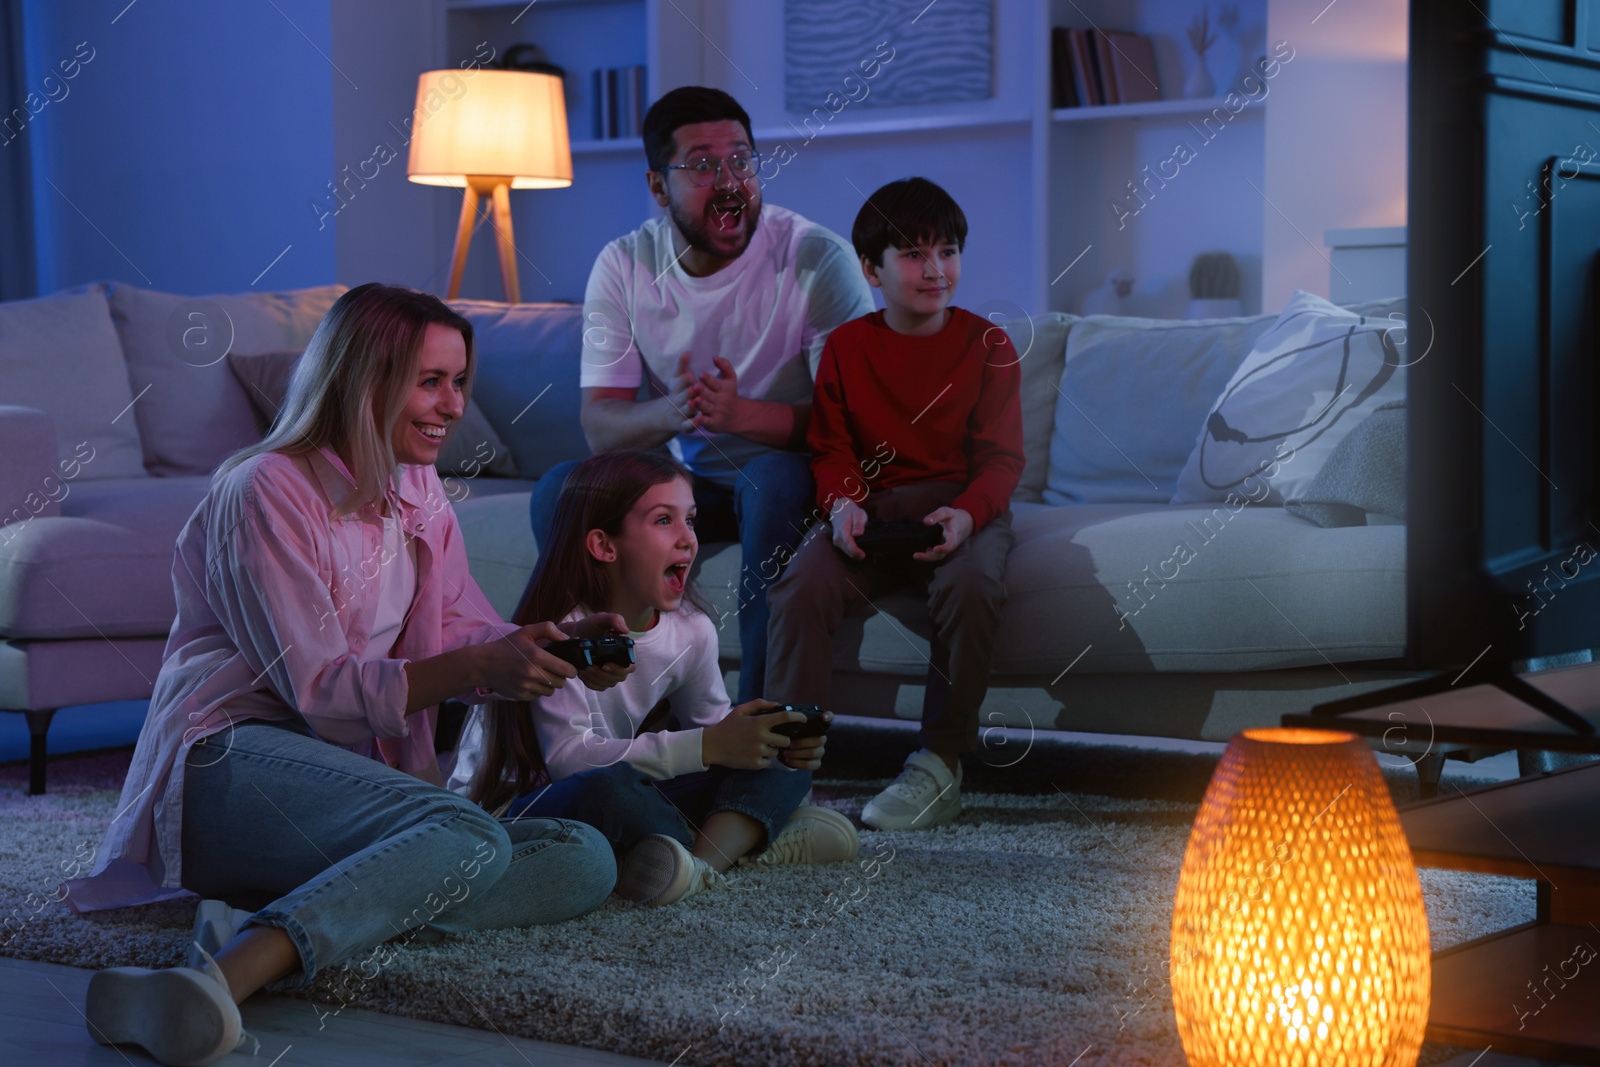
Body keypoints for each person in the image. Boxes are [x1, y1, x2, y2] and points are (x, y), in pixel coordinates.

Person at [66, 284, 623, 1067]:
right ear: (365, 380)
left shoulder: (418, 487)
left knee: (581, 852)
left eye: (459, 381)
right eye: (431, 381)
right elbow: (322, 693)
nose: (453, 404)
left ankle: (291, 912)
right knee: (468, 833)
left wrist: (546, 644)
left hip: (346, 789)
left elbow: (460, 629)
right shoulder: (262, 490)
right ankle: (218, 978)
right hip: (232, 764)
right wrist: (475, 664)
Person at [529, 86, 874, 705]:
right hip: (689, 482)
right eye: (702, 164)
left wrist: (741, 416)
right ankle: (590, 699)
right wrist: (675, 411)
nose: (729, 180)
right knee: (564, 486)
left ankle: (763, 718)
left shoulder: (818, 259)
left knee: (770, 477)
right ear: (658, 188)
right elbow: (600, 428)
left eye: (741, 159)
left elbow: (855, 425)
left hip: (785, 476)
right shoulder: (625, 264)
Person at [455, 450, 857, 907]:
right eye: (664, 520)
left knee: (779, 766)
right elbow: (570, 762)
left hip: (624, 787)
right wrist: (709, 746)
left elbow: (715, 732)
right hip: (521, 805)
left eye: (691, 519)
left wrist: (763, 741)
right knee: (611, 791)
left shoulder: (692, 629)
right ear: (604, 545)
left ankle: (696, 866)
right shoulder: (559, 632)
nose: (688, 538)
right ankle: (738, 844)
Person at [765, 178, 1024, 832]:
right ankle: (789, 765)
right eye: (913, 254)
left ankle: (940, 762)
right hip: (873, 511)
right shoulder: (848, 349)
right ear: (870, 270)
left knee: (971, 585)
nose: (935, 269)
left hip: (960, 506)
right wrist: (843, 506)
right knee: (800, 585)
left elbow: (1001, 461)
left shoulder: (989, 347)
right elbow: (829, 449)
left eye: (948, 251)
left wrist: (966, 514)